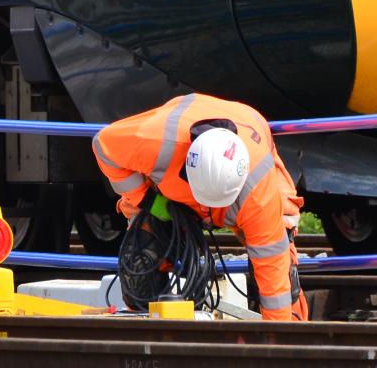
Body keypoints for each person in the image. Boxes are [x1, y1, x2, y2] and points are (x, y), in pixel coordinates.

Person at [92, 92, 307, 320]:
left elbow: (272, 271)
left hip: (246, 143)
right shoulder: (155, 142)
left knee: (283, 272)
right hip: (170, 192)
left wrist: (277, 339)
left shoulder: (259, 193)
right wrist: (147, 200)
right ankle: (147, 336)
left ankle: (290, 326)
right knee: (140, 258)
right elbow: (103, 146)